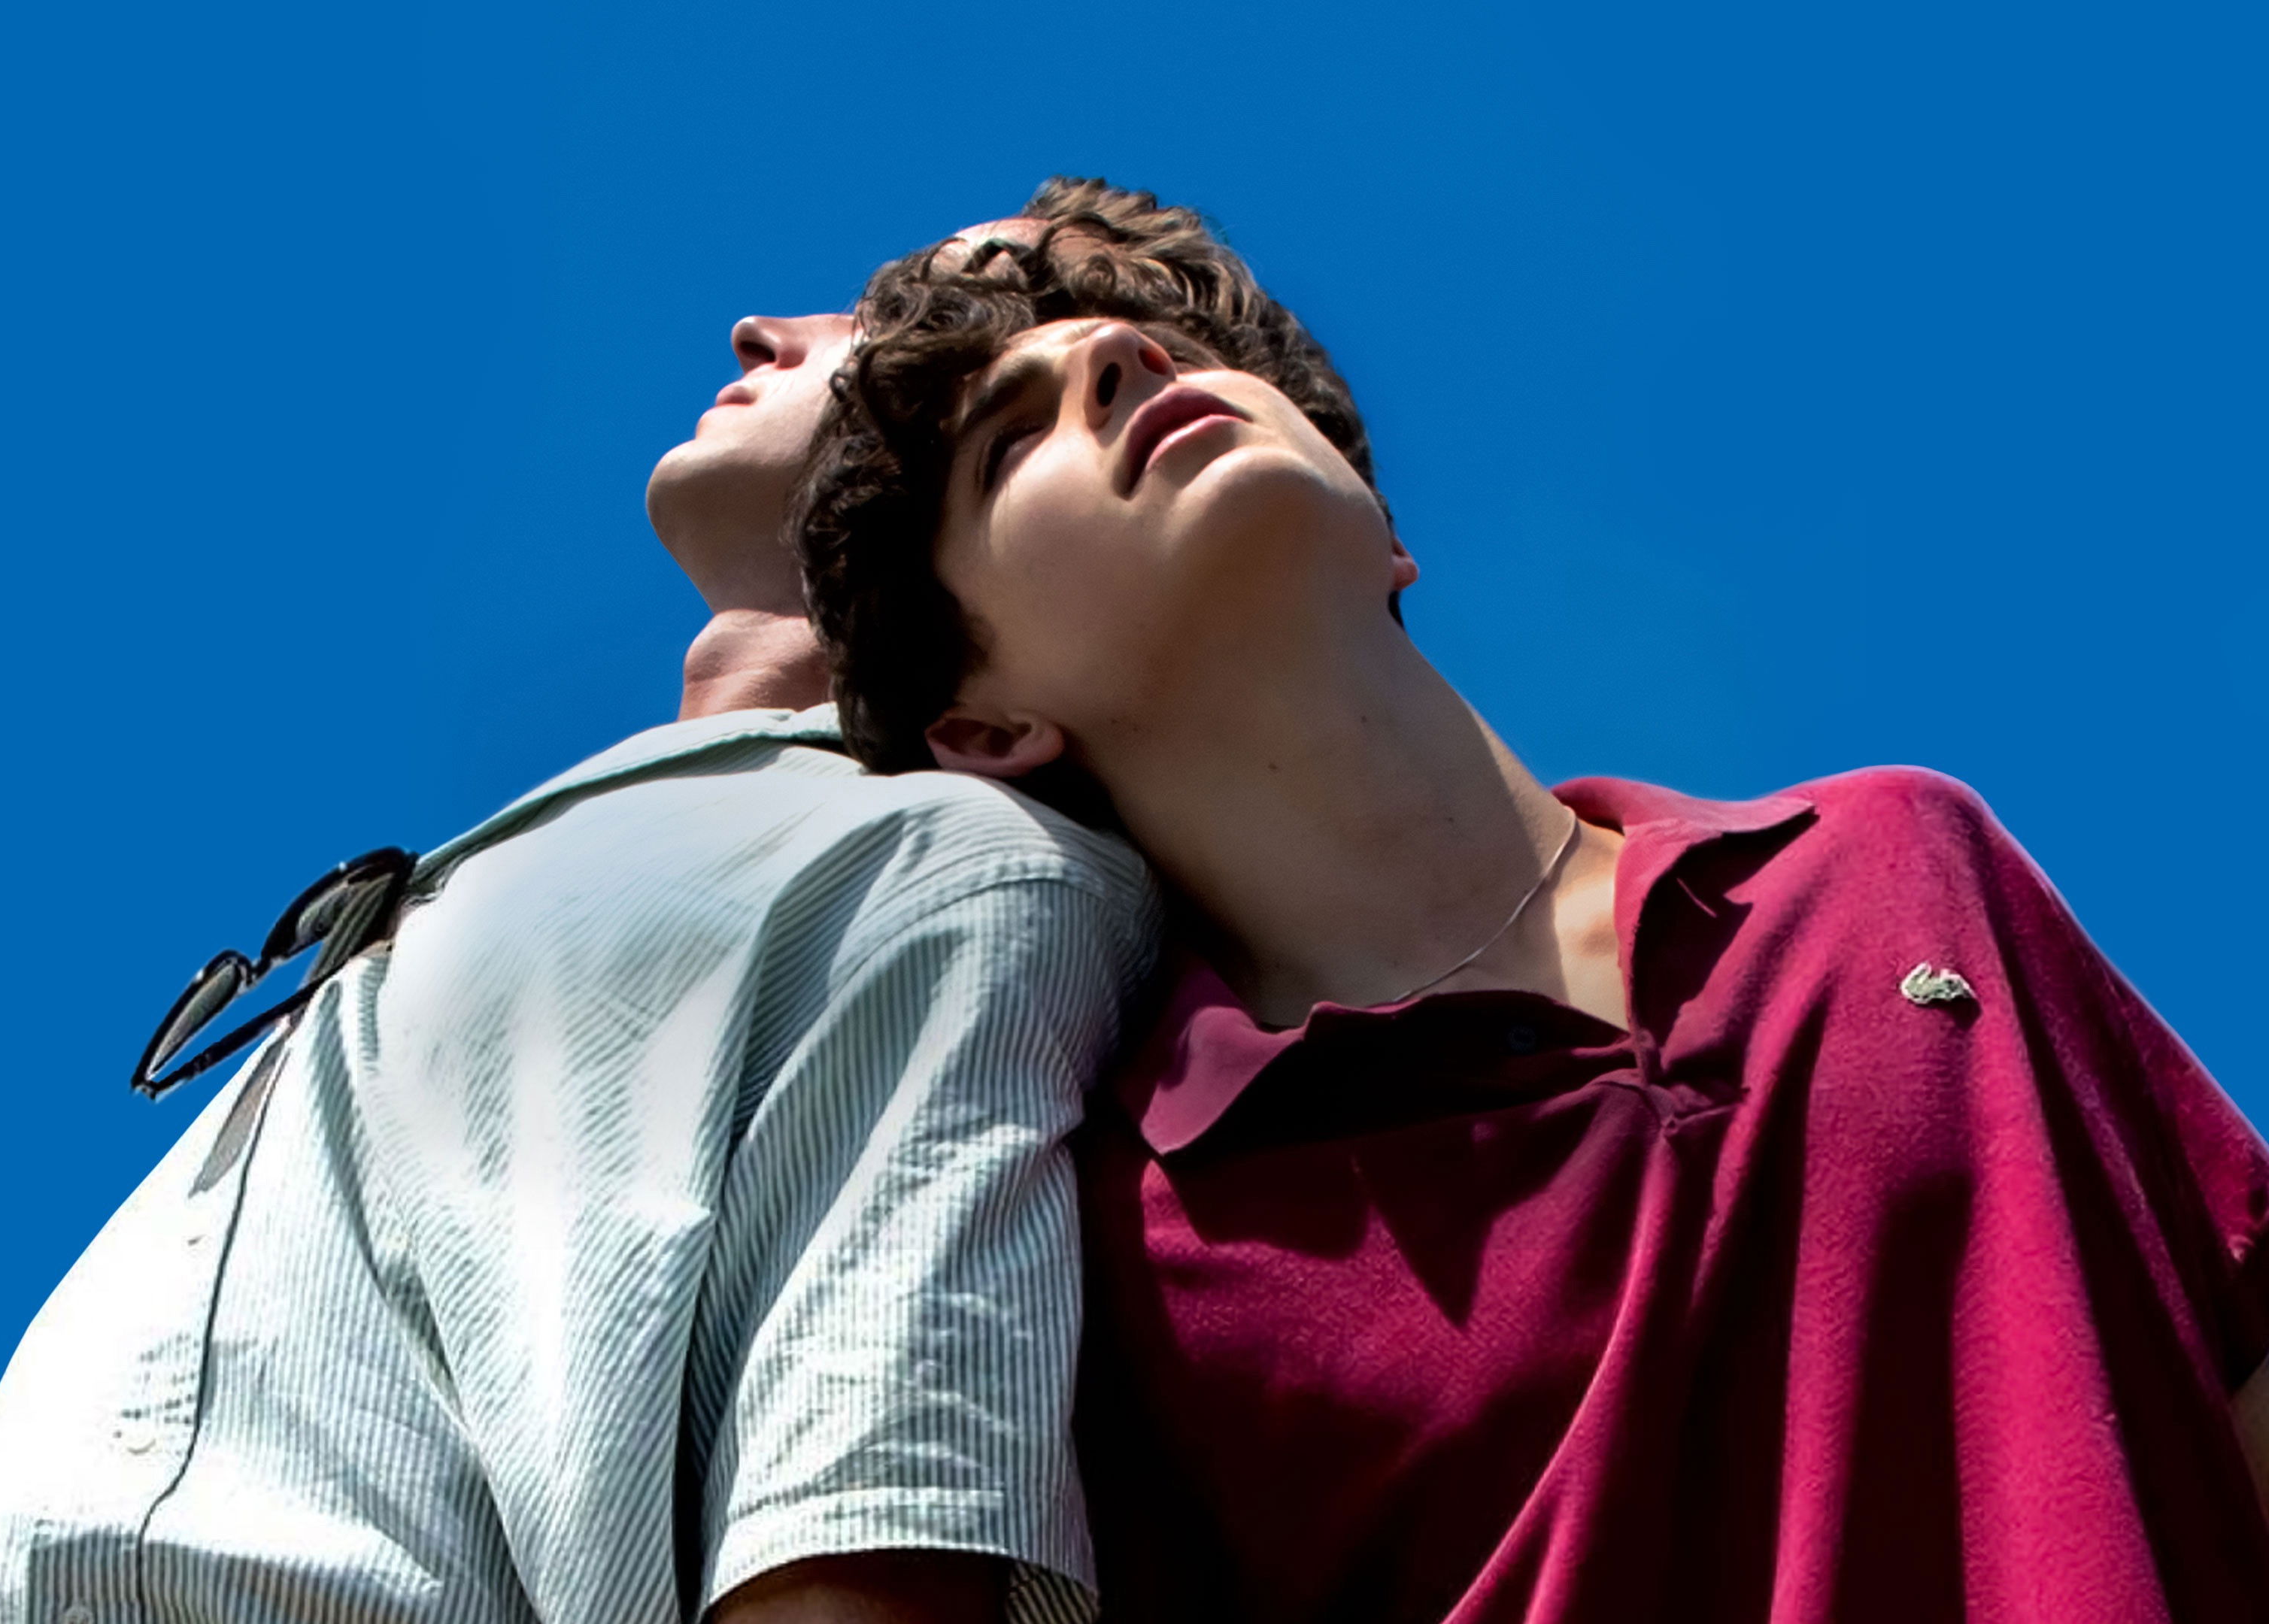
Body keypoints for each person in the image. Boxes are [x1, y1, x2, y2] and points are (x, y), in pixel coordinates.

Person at [798, 184, 2269, 1621]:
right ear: (983, 726)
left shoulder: (1897, 860)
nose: (1124, 363)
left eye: (1170, 349)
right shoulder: (1126, 1248)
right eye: (1011, 439)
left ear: (1386, 532)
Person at [0, 205, 1169, 1624]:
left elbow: (867, 1539)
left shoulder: (948, 866)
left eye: (900, 318)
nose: (764, 330)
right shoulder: (573, 864)